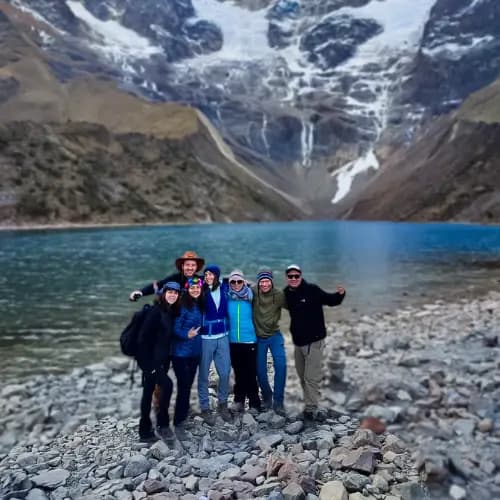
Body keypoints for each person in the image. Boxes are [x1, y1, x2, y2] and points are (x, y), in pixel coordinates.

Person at [283, 264, 346, 422]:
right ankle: (308, 403)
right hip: (298, 342)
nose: (293, 279)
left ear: (301, 276)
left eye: (296, 276)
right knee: (302, 375)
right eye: (290, 276)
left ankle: (311, 409)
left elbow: (331, 300)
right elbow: (272, 300)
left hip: (314, 341)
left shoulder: (312, 290)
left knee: (311, 377)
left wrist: (340, 294)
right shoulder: (286, 294)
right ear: (287, 278)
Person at [136, 281, 181, 443]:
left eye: (175, 293)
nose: (172, 295)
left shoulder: (169, 311)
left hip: (160, 361)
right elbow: (142, 340)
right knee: (166, 386)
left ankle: (145, 429)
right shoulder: (155, 312)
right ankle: (161, 425)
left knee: (148, 394)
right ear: (163, 293)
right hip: (151, 362)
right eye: (169, 292)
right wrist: (149, 366)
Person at [198, 264, 231, 424]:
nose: (208, 277)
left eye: (211, 274)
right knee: (204, 374)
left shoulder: (225, 287)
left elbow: (241, 282)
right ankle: (205, 408)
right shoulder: (201, 291)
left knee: (224, 373)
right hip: (206, 338)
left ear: (217, 275)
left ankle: (222, 404)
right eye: (206, 274)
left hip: (223, 336)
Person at [252, 269, 287, 415]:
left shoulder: (279, 295)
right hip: (259, 337)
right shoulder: (253, 292)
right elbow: (237, 288)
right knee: (260, 371)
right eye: (262, 281)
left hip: (275, 335)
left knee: (281, 365)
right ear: (258, 282)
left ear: (271, 282)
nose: (265, 284)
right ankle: (267, 396)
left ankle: (278, 401)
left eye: (267, 281)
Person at [172, 276, 203, 439]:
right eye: (192, 288)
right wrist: (187, 334)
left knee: (188, 386)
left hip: (195, 353)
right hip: (180, 354)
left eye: (197, 288)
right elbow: (175, 328)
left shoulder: (199, 304)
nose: (195, 290)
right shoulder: (182, 306)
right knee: (183, 387)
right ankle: (178, 422)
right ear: (187, 289)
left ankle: (183, 415)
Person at [227, 269, 261, 413]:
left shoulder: (252, 296)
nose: (236, 284)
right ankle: (239, 401)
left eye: (239, 281)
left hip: (250, 340)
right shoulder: (227, 297)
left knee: (251, 372)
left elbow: (264, 289)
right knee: (239, 372)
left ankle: (254, 403)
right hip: (233, 341)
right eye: (233, 282)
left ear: (244, 282)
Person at [129, 250, 205, 301]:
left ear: (196, 267)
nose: (190, 268)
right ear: (182, 266)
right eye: (187, 265)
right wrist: (141, 292)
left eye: (193, 265)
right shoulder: (175, 278)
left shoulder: (201, 280)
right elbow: (159, 285)